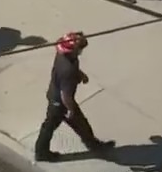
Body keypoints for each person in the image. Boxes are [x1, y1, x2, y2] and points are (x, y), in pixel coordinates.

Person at [33, 32, 115, 162]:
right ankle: (41, 153)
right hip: (60, 103)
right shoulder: (68, 70)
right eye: (80, 49)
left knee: (75, 124)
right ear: (73, 50)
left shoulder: (64, 56)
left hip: (57, 97)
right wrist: (71, 110)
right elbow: (65, 95)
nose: (81, 51)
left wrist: (80, 74)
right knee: (52, 126)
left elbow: (71, 70)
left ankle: (93, 145)